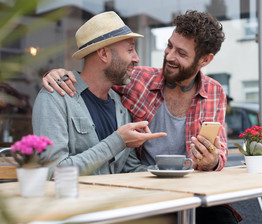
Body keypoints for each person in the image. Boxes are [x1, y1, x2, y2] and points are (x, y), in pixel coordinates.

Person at [42, 10, 242, 223]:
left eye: (181, 53)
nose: (169, 56)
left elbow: (219, 154)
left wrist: (211, 162)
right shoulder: (136, 80)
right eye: (169, 45)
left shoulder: (214, 92)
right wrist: (57, 75)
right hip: (145, 192)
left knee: (223, 218)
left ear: (205, 59)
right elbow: (96, 76)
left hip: (190, 192)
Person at [33, 11, 167, 177]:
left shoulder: (120, 106)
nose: (137, 58)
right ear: (104, 54)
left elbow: (130, 169)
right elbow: (53, 171)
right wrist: (118, 141)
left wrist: (169, 173)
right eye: (130, 50)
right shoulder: (55, 98)